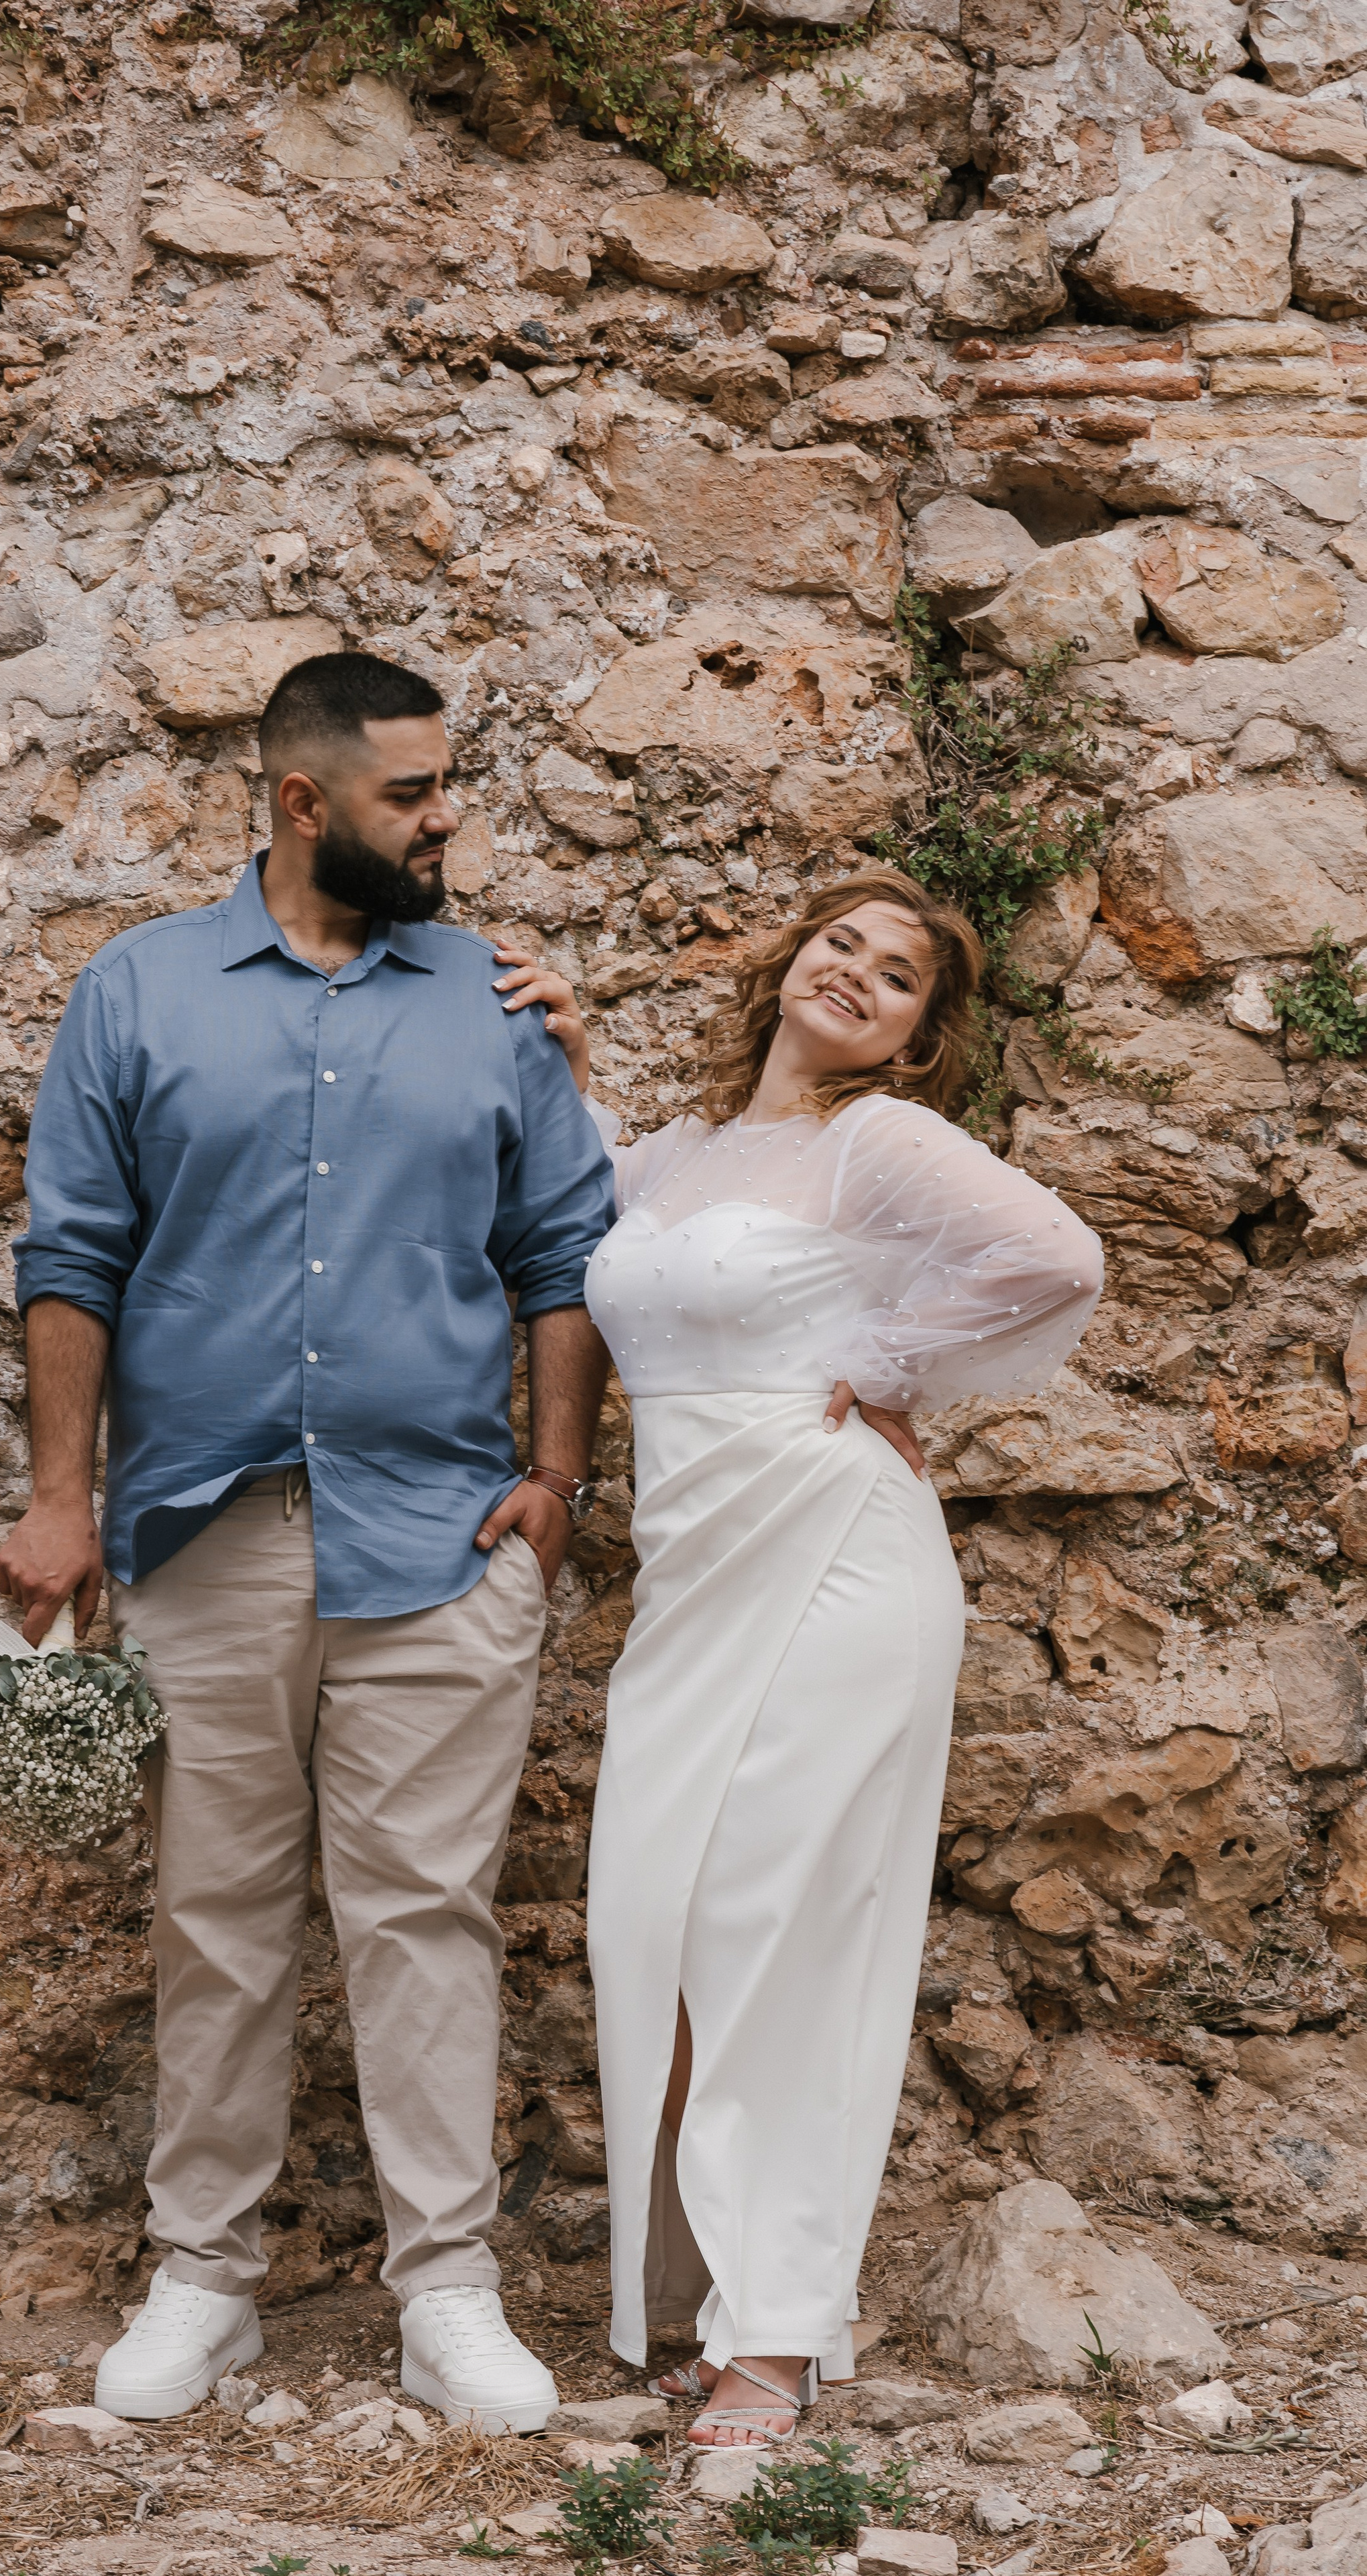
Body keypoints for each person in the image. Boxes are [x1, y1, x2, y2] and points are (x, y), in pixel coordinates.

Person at [0, 651, 616, 2431]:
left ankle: (448, 2292)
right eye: (414, 795)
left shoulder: (495, 998)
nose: (447, 822)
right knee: (216, 1916)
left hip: (438, 1532)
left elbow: (565, 1255)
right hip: (203, 1534)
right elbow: (71, 1255)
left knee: (427, 1916)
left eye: (447, 788)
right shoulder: (139, 992)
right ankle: (204, 2279)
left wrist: (557, 1487)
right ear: (300, 802)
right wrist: (60, 1497)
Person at [494, 869, 1103, 2447]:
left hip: (834, 1546)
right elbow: (602, 1242)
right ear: (786, 957)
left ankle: (774, 2333)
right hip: (697, 1571)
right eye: (839, 941)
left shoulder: (874, 1144)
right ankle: (703, 2296)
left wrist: (886, 1358)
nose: (854, 973)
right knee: (652, 1912)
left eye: (895, 975)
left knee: (784, 1932)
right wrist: (563, 1067)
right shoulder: (682, 1156)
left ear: (913, 1037)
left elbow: (1054, 1257)